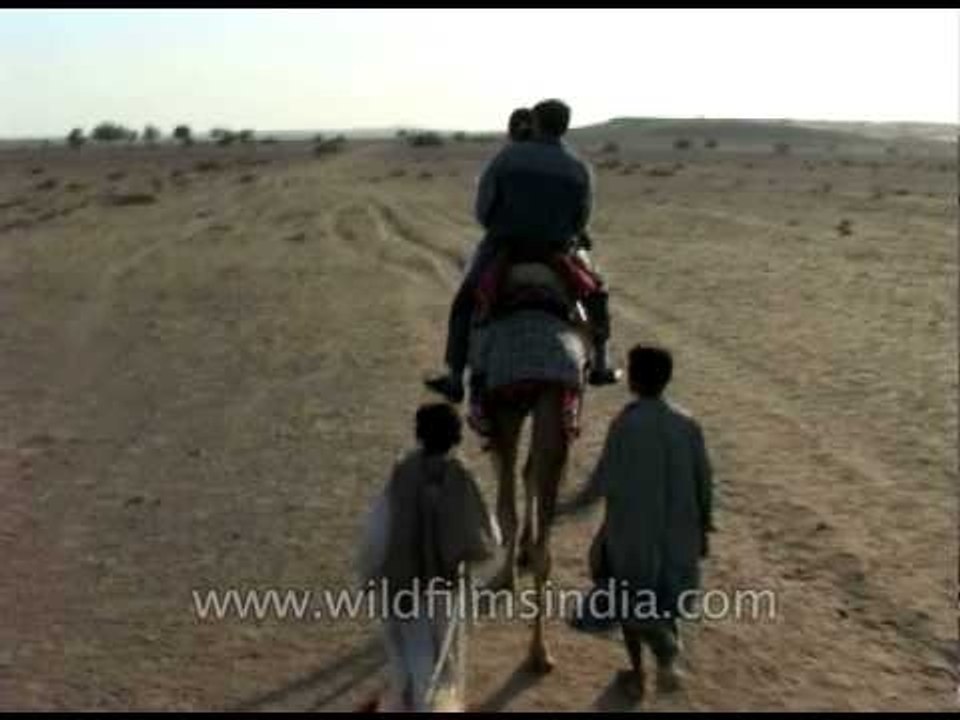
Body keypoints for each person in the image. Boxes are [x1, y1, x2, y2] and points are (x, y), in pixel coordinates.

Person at [424, 98, 621, 405]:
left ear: (536, 122)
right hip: (557, 250)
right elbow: (581, 220)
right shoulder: (578, 168)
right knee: (596, 294)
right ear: (565, 127)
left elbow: (483, 211)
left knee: (465, 299)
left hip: (505, 245)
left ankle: (454, 377)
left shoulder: (505, 159)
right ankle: (601, 364)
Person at [562, 345, 715, 700]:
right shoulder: (687, 424)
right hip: (680, 531)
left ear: (635, 378)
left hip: (632, 534)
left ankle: (639, 672)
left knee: (628, 599)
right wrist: (704, 527)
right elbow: (704, 479)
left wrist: (566, 508)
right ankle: (667, 651)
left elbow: (602, 482)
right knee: (664, 597)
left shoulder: (626, 423)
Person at [356, 403, 498, 711]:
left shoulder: (403, 471)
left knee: (408, 663)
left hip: (403, 586)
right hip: (445, 590)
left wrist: (369, 574)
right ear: (456, 436)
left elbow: (378, 532)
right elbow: (488, 534)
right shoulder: (461, 475)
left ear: (419, 434)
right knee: (441, 667)